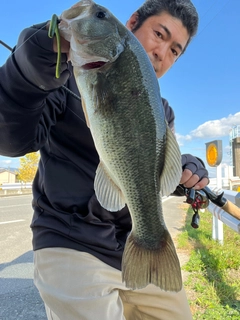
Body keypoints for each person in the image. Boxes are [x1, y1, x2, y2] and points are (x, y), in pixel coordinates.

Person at [0, 0, 209, 319]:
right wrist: (26, 72)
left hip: (134, 246)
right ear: (132, 22)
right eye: (159, 34)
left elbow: (159, 171)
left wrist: (187, 165)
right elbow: (11, 139)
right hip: (70, 242)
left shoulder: (162, 110)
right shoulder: (62, 76)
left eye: (175, 50)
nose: (161, 53)